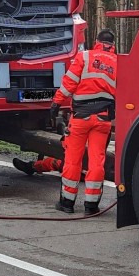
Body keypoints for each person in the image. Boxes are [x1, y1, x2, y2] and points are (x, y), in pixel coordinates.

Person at [48, 28, 117, 215]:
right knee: (97, 162)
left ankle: (67, 204)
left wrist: (56, 103)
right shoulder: (118, 63)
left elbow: (68, 83)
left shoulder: (84, 57)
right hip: (103, 119)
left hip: (80, 118)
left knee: (72, 160)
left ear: (96, 41)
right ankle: (91, 206)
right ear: (113, 45)